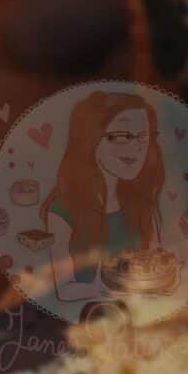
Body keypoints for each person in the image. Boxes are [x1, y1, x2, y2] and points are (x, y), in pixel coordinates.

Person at [43, 88, 169, 304]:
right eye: (122, 136)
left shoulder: (143, 206)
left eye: (143, 136)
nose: (137, 147)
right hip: (81, 323)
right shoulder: (62, 212)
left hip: (141, 318)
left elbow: (156, 272)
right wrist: (105, 289)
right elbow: (62, 290)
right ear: (90, 139)